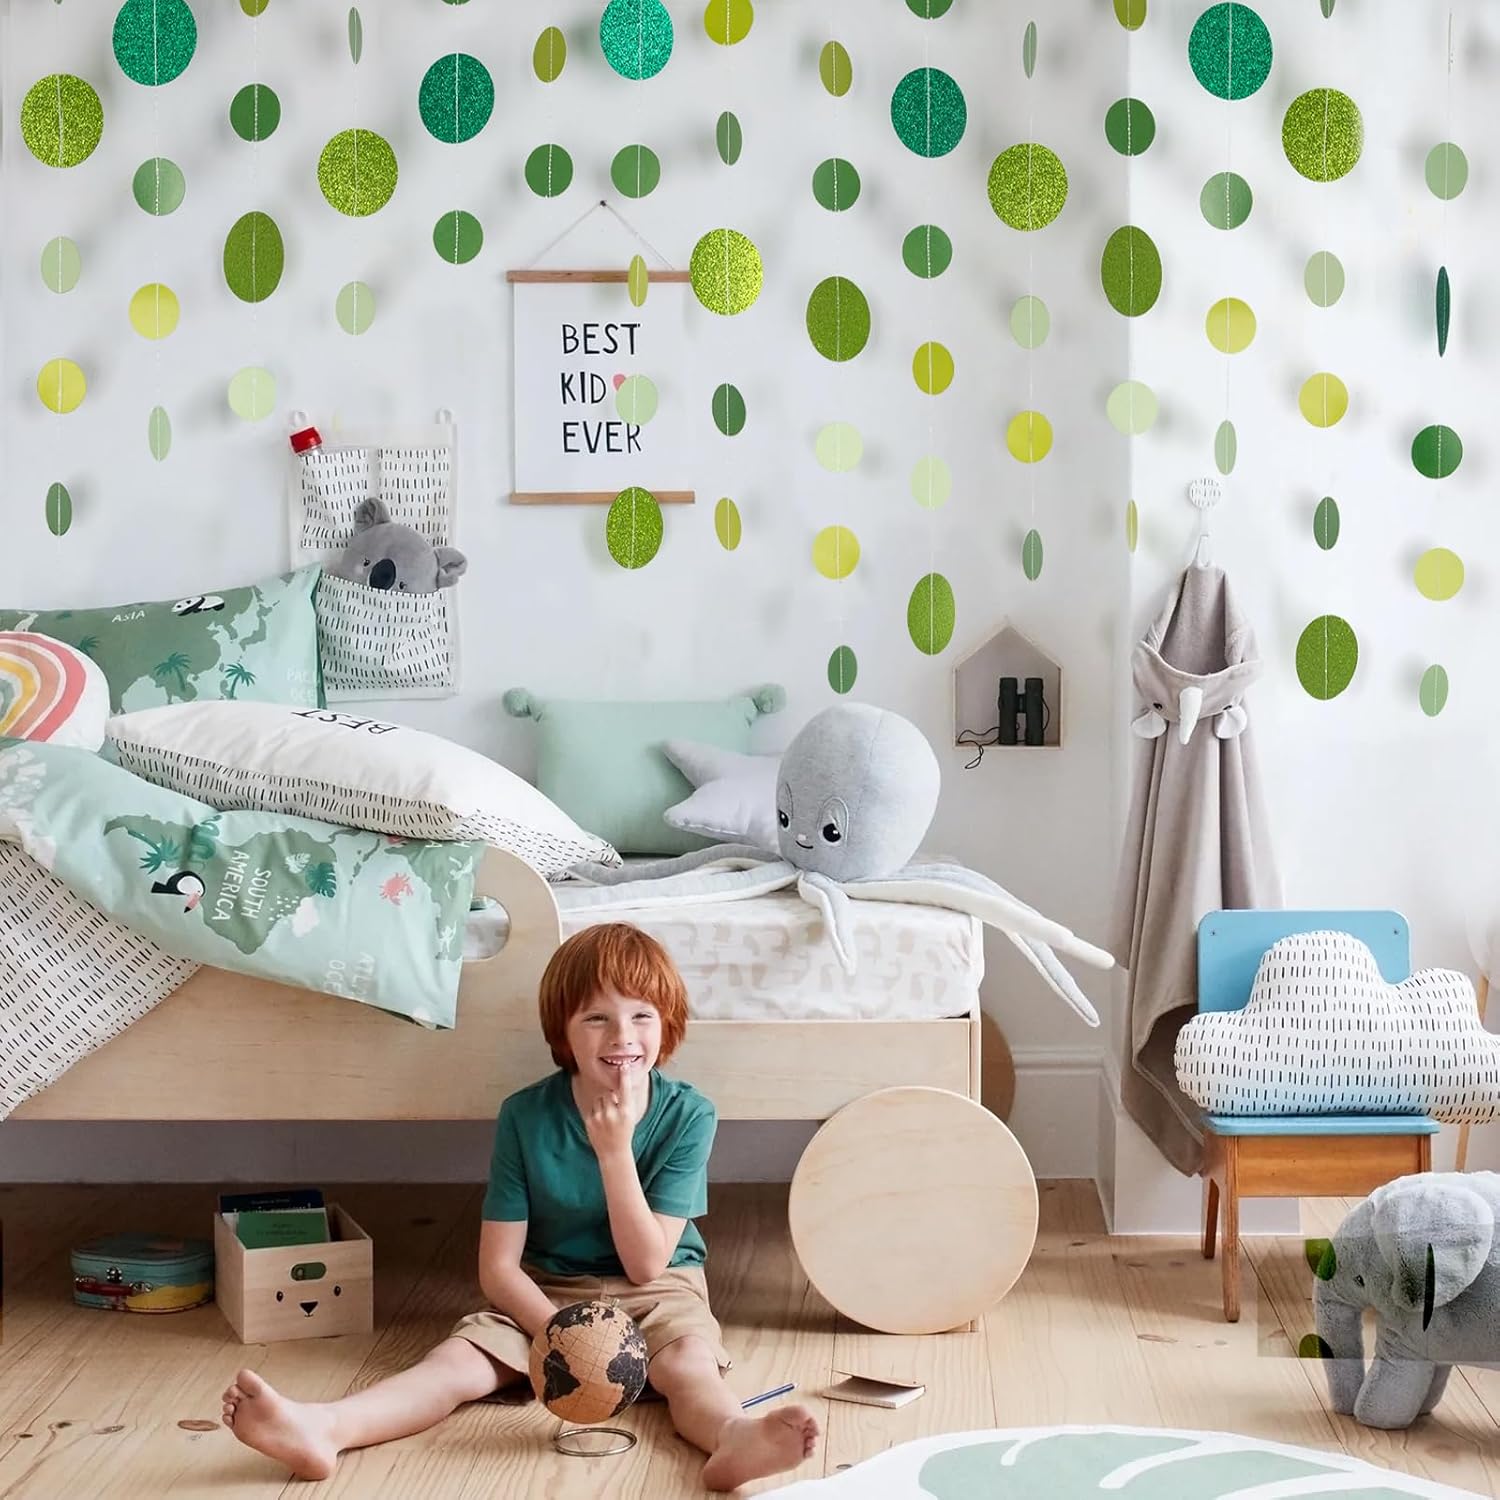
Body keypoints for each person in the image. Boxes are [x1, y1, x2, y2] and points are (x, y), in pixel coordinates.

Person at [222, 922, 820, 1492]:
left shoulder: (690, 1114)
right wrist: (562, 1336)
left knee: (689, 1364)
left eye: (642, 1015)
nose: (622, 1036)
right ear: (563, 1032)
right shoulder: (525, 1115)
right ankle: (327, 1428)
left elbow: (646, 1265)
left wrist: (614, 1152)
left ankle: (733, 1437)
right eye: (597, 1018)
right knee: (456, 1363)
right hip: (547, 1293)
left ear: (668, 1024)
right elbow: (499, 1268)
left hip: (660, 1289)